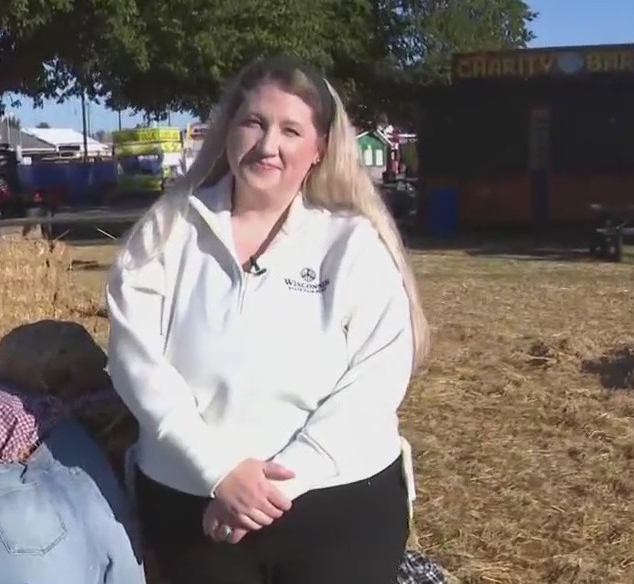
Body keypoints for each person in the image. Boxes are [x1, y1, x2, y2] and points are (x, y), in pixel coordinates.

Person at [105, 55, 430, 584]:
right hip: (196, 507)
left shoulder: (351, 244)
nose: (268, 145)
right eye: (254, 122)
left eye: (290, 130)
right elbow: (134, 361)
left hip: (337, 501)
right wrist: (219, 475)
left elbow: (377, 379)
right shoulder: (167, 230)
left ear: (319, 148)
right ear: (229, 128)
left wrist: (269, 488)